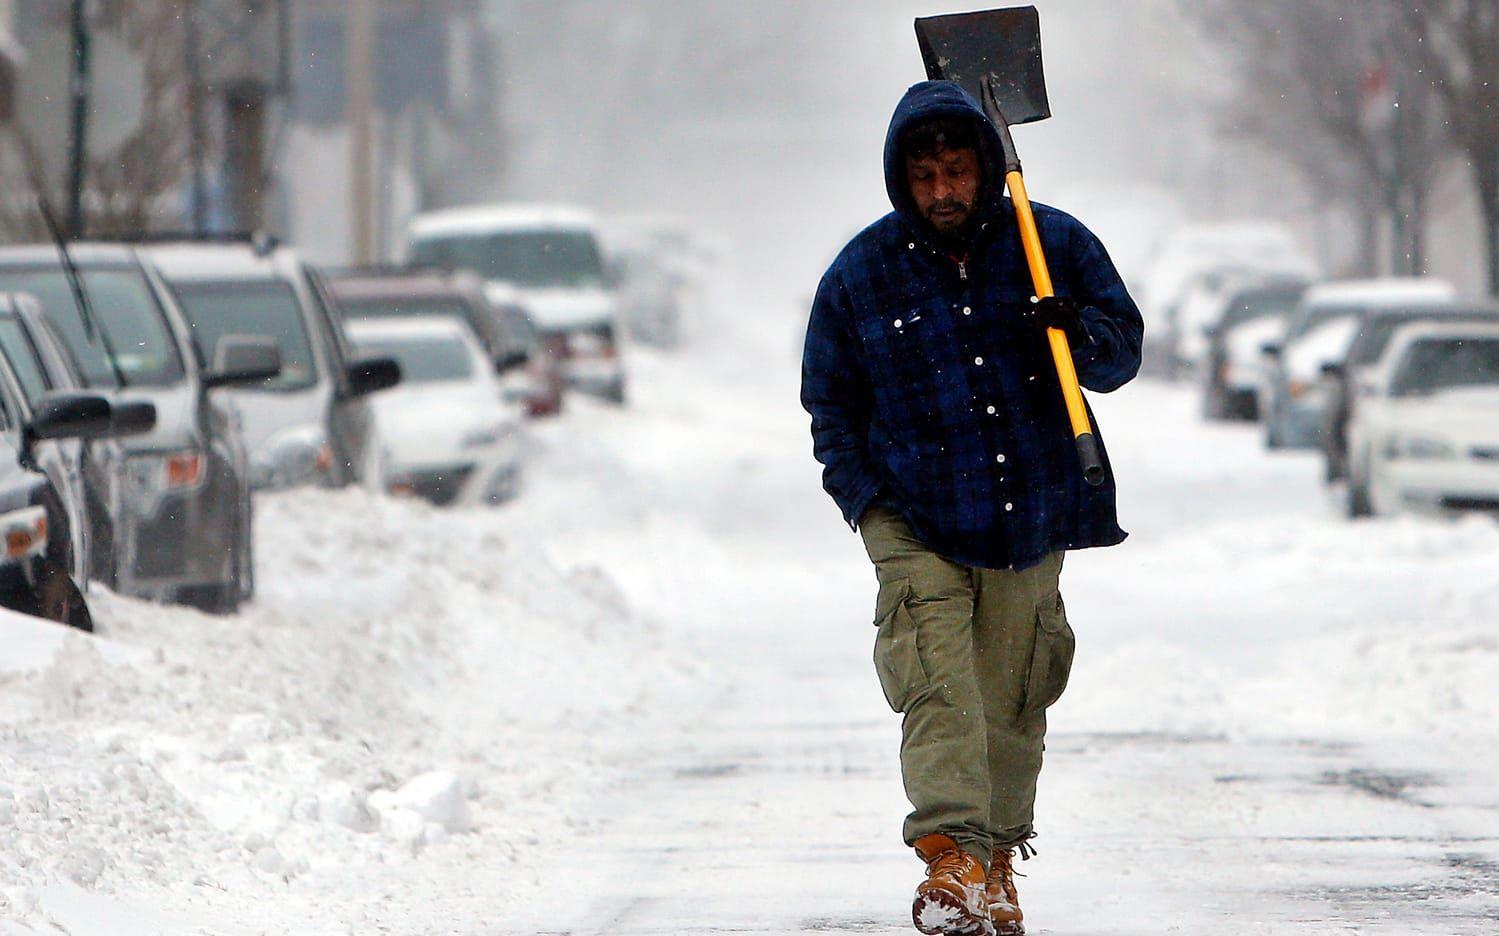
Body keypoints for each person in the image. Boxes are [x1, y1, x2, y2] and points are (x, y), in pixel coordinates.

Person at [800, 80, 1143, 936]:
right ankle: (948, 853)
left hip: (1032, 507)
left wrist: (1073, 328)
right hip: (914, 514)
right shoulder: (861, 274)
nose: (944, 191)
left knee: (1012, 695)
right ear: (900, 180)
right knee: (939, 682)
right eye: (926, 176)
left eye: (957, 171)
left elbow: (1121, 352)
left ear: (985, 168)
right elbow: (829, 400)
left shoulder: (1046, 242)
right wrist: (864, 501)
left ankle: (994, 863)